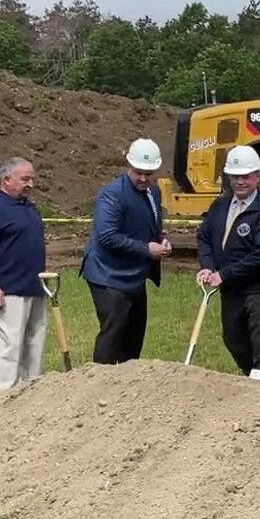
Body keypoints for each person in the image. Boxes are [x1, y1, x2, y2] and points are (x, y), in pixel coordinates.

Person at [80, 138, 171, 364]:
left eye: (148, 173)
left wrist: (161, 240)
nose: (143, 178)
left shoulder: (154, 191)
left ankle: (126, 385)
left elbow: (151, 223)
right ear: (128, 166)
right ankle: (100, 381)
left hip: (134, 274)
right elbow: (107, 236)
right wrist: (146, 249)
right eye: (138, 172)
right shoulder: (111, 195)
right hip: (108, 274)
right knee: (114, 333)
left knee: (134, 335)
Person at [196, 146, 260, 379]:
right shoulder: (220, 206)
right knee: (233, 339)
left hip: (259, 291)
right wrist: (207, 265)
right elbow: (204, 237)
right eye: (235, 177)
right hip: (231, 291)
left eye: (245, 176)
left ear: (257, 177)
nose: (240, 182)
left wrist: (224, 274)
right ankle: (254, 379)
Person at [0, 158, 47, 389]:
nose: (30, 184)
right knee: (8, 347)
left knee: (35, 343)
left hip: (35, 287)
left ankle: (32, 394)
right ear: (7, 179)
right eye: (25, 179)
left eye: (31, 179)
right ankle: (5, 398)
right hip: (7, 290)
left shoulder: (28, 206)